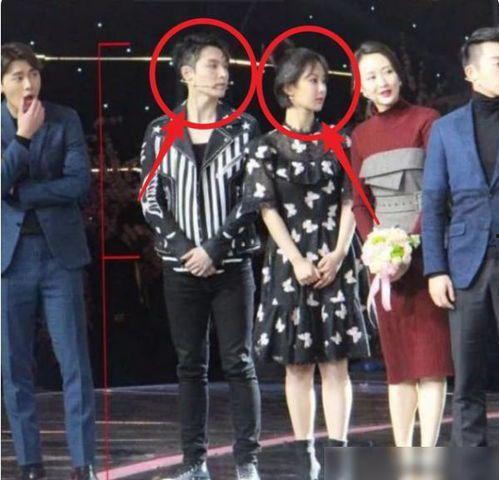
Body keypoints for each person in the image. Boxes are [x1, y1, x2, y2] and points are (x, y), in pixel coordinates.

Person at [240, 46, 370, 480]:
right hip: (288, 265)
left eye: (324, 81)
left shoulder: (340, 141)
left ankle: (338, 456)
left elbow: (352, 199)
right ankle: (305, 457)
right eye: (312, 80)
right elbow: (266, 209)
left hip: (336, 259)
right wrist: (296, 259)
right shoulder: (265, 148)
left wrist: (339, 253)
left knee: (336, 362)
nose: (321, 88)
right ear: (288, 88)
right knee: (297, 364)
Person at [139, 33, 261, 480]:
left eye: (226, 66)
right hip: (181, 268)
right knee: (191, 365)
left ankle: (247, 461)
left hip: (231, 265)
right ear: (187, 73)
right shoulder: (160, 130)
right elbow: (149, 199)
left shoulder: (243, 127)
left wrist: (214, 247)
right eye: (213, 65)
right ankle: (194, 463)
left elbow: (253, 196)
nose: (223, 73)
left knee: (239, 362)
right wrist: (185, 249)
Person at [1, 42, 97, 479]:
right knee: (14, 367)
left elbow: (78, 184)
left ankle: (83, 463)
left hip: (61, 257)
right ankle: (30, 464)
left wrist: (22, 194)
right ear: (2, 84)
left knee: (74, 362)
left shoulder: (64, 118)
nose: (29, 84)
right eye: (18, 76)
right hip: (9, 259)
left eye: (34, 74)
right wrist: (22, 137)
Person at [350, 41, 453, 447]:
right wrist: (376, 251)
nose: (382, 81)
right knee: (399, 369)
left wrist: (408, 244)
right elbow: (360, 202)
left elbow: (438, 190)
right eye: (371, 76)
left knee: (431, 364)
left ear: (399, 74)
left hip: (428, 256)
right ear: (360, 88)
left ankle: (429, 456)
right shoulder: (360, 136)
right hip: (385, 265)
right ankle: (403, 455)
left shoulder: (427, 120)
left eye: (387, 71)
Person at [422, 26, 499, 446]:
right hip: (467, 265)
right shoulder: (446, 129)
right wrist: (436, 269)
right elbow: (433, 202)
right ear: (471, 72)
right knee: (467, 377)